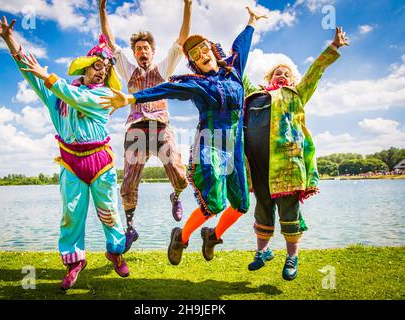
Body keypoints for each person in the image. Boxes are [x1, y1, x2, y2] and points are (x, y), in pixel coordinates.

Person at [101, 7, 266, 265]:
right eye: (196, 55)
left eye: (204, 50)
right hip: (211, 139)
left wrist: (252, 21)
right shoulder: (198, 83)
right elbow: (168, 88)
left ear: (212, 51)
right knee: (214, 201)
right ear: (195, 63)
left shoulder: (234, 70)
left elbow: (241, 45)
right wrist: (132, 97)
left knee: (241, 205)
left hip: (234, 141)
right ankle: (181, 236)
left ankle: (212, 235)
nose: (202, 55)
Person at [0, 16, 130, 290]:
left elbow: (75, 97)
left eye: (107, 68)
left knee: (110, 210)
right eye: (98, 66)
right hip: (70, 161)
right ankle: (75, 261)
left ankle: (115, 251)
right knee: (71, 213)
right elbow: (31, 71)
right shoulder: (57, 95)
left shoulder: (103, 97)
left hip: (100, 161)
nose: (102, 72)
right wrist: (9, 39)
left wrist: (48, 76)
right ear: (86, 67)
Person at [243, 27, 349, 280]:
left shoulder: (296, 94)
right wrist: (225, 57)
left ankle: (292, 258)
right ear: (269, 77)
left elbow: (314, 73)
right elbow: (239, 74)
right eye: (277, 72)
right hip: (257, 165)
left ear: (292, 81)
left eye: (286, 74)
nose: (282, 75)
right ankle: (263, 252)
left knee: (289, 213)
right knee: (262, 210)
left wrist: (332, 48)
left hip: (286, 166)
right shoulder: (253, 94)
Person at [99, 0, 192, 252]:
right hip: (136, 130)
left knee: (181, 176)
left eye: (146, 48)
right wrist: (102, 11)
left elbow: (182, 40)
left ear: (152, 50)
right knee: (129, 183)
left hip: (161, 128)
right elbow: (110, 41)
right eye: (138, 48)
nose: (142, 52)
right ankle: (130, 228)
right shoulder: (127, 70)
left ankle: (176, 195)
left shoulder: (164, 68)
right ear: (134, 52)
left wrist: (188, 6)